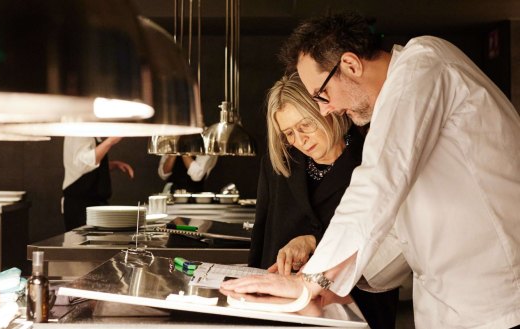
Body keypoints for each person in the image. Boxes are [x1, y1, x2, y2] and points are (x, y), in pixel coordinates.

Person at [222, 12, 520, 328]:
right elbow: (399, 230)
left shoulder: (423, 67)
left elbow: (378, 182)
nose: (327, 109)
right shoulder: (399, 100)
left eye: (322, 95)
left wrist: (313, 280)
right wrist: (332, 287)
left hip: (498, 301)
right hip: (445, 304)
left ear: (351, 65)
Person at [250, 73, 398, 329]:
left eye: (305, 125)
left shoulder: (372, 158)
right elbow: (261, 235)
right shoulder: (277, 166)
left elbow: (390, 240)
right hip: (282, 309)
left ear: (327, 110)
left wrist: (315, 243)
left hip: (357, 306)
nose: (299, 140)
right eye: (289, 133)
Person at [62, 136, 134, 231]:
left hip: (94, 204)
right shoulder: (79, 132)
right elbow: (84, 164)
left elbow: (90, 165)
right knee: (84, 244)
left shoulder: (90, 132)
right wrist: (111, 140)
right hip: (81, 206)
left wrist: (112, 165)